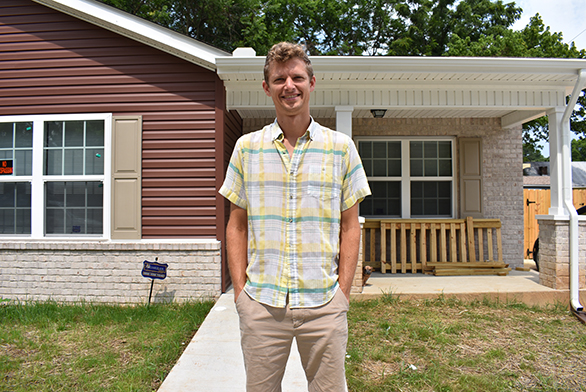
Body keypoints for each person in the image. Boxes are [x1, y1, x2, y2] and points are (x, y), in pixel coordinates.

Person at [219, 41, 371, 392]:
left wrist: (342, 293)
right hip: (262, 304)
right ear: (267, 87)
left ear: (311, 83)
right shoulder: (246, 148)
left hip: (323, 304)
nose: (289, 85)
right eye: (279, 79)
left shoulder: (341, 148)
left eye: (297, 77)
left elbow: (350, 226)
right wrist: (241, 294)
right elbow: (236, 225)